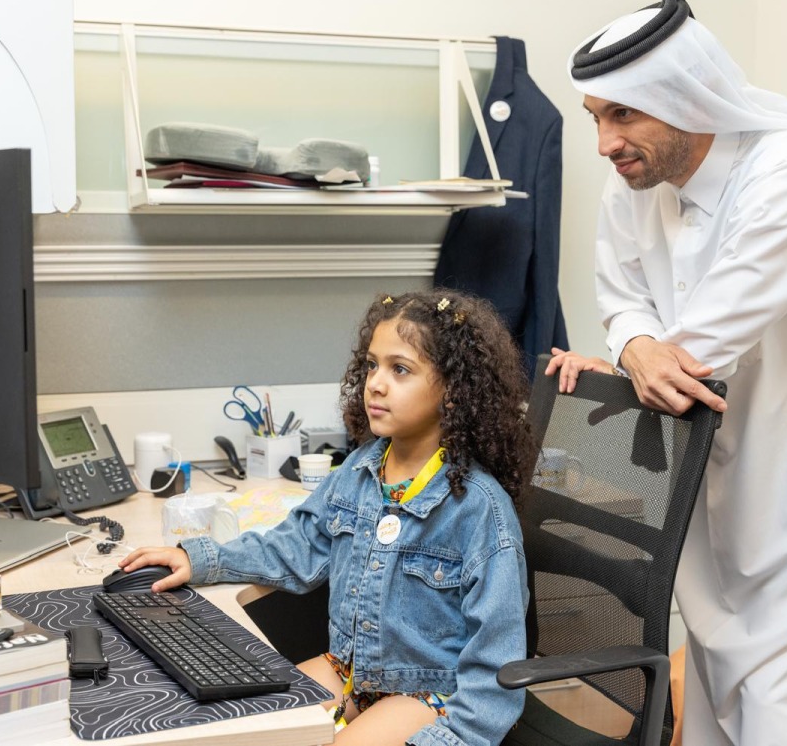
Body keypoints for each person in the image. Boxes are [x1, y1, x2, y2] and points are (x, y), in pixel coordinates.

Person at [549, 0, 787, 745]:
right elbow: (622, 303)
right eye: (595, 118)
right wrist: (632, 348)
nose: (605, 143)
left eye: (623, 114)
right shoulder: (635, 181)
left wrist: (633, 351)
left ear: (684, 99)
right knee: (716, 710)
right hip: (710, 483)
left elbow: (692, 355)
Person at [120, 288, 536, 746]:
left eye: (400, 369)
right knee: (252, 731)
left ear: (454, 391)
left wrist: (450, 737)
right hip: (353, 671)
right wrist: (201, 559)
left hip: (436, 692)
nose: (375, 383)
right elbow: (294, 546)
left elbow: (495, 670)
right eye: (372, 365)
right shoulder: (358, 470)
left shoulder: (479, 509)